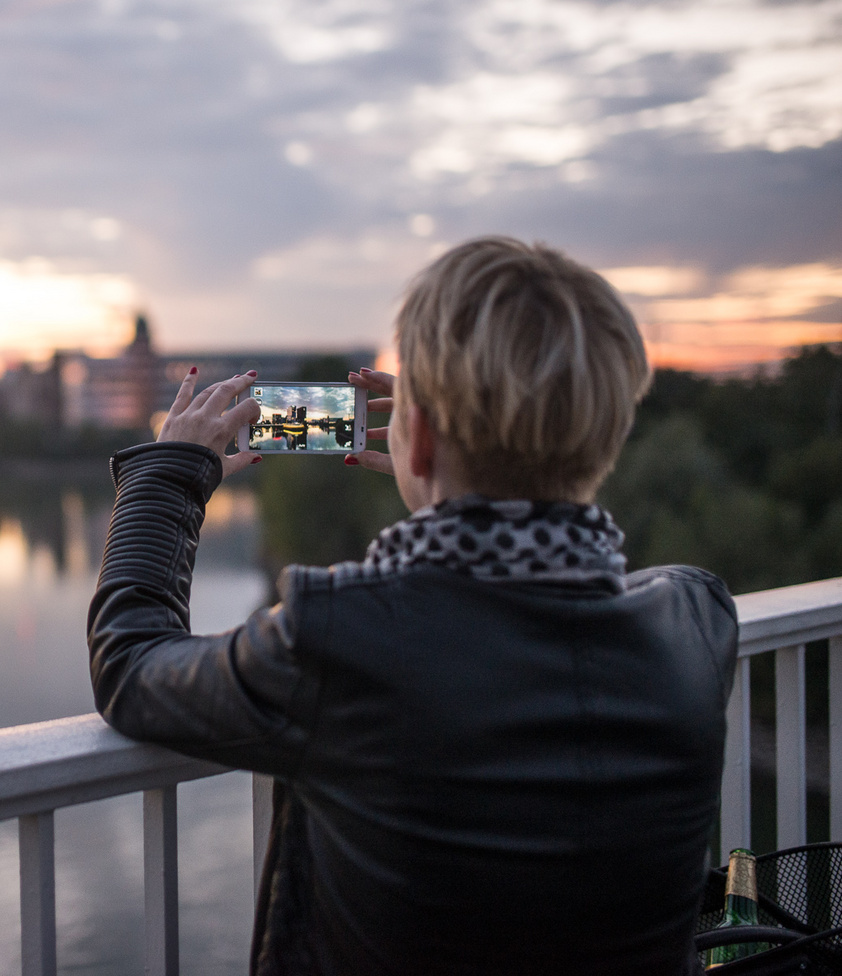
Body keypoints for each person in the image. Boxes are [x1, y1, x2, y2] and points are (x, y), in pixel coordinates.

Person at [87, 236, 737, 975]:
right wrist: (458, 467)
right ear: (607, 435)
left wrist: (168, 474)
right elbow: (566, 559)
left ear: (417, 437)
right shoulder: (695, 625)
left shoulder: (341, 637)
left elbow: (132, 665)